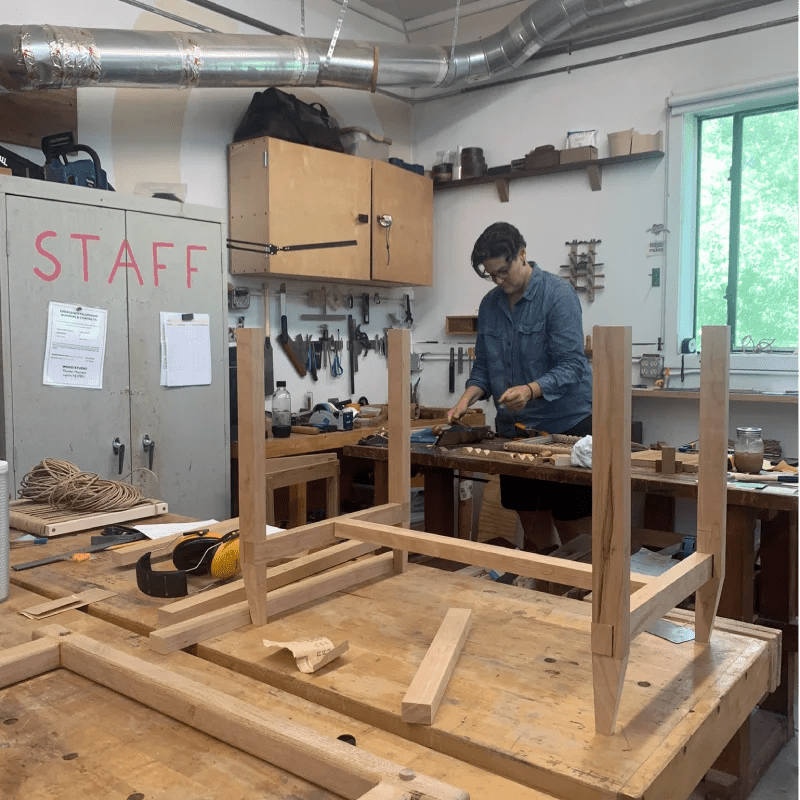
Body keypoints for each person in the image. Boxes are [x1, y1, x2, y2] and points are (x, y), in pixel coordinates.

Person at [447, 222, 593, 552]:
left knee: (576, 534)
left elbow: (572, 365)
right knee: (533, 530)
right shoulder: (490, 305)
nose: (498, 281)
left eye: (502, 271)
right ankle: (542, 597)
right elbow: (483, 367)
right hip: (516, 434)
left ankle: (581, 601)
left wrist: (529, 390)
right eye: (490, 275)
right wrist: (466, 399)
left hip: (565, 428)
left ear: (522, 255)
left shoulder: (558, 296)